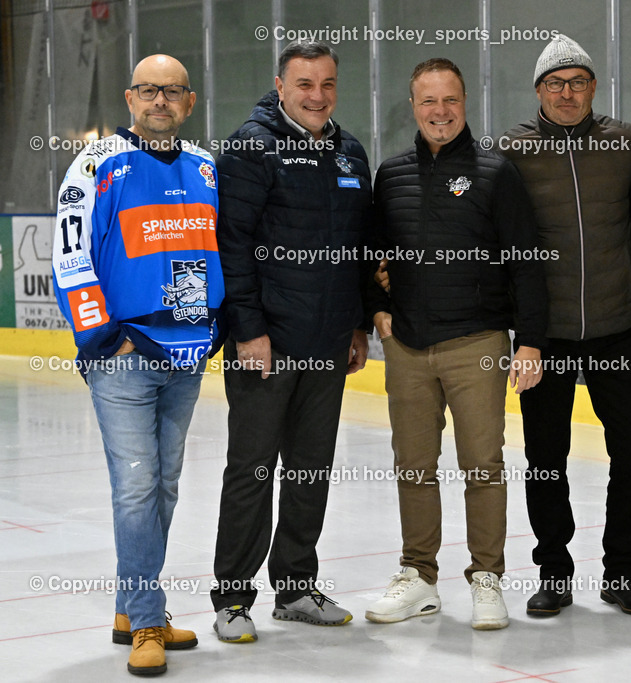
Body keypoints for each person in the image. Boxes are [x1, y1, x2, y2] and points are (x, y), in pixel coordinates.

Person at [52, 54, 222, 676]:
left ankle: (130, 606)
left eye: (171, 92)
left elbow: (210, 254)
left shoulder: (206, 167)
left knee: (166, 485)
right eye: (149, 90)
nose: (159, 101)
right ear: (130, 98)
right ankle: (149, 620)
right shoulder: (95, 166)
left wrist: (210, 330)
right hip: (122, 360)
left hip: (185, 357)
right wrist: (104, 337)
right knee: (136, 487)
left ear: (189, 102)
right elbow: (71, 255)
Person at [364, 57, 547, 631]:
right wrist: (377, 308)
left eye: (450, 101)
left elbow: (526, 262)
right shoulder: (390, 175)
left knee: (482, 465)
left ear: (465, 103)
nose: (439, 112)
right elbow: (371, 254)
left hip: (478, 341)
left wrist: (531, 342)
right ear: (413, 105)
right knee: (413, 465)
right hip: (409, 346)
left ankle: (487, 578)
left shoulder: (496, 172)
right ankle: (418, 576)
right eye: (428, 102)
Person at [210, 39, 373, 642]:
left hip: (328, 343)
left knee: (310, 469)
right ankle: (232, 597)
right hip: (267, 346)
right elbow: (231, 246)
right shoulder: (251, 148)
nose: (317, 96)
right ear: (280, 87)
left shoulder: (350, 153)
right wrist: (248, 330)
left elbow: (358, 250)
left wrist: (356, 323)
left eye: (327, 84)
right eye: (305, 84)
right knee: (252, 470)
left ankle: (296, 586)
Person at [499, 34, 631, 617]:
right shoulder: (513, 150)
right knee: (546, 457)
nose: (567, 93)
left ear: (594, 87)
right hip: (548, 333)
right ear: (539, 90)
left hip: (616, 324)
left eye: (578, 82)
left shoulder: (625, 143)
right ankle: (555, 571)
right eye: (555, 84)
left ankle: (621, 571)